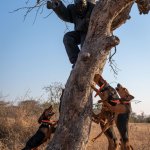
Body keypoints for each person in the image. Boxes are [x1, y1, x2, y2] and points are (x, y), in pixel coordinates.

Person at [47, 0, 95, 68]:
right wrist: (57, 5)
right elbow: (66, 16)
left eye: (82, 6)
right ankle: (76, 60)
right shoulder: (72, 8)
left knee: (85, 43)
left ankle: (86, 60)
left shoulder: (94, 7)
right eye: (78, 6)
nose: (80, 9)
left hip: (90, 32)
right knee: (67, 37)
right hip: (79, 31)